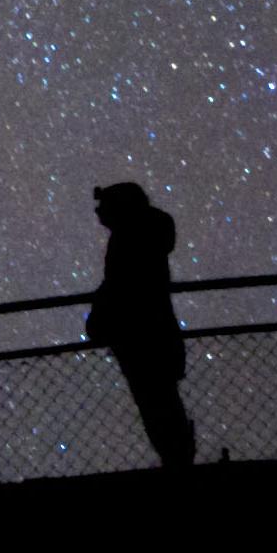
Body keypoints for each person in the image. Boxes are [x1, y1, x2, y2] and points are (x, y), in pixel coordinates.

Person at [87, 180, 198, 469]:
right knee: (164, 402)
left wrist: (99, 318)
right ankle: (179, 457)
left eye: (106, 206)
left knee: (155, 404)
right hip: (158, 335)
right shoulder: (148, 234)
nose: (100, 212)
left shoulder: (127, 239)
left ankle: (177, 459)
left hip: (138, 339)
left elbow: (120, 287)